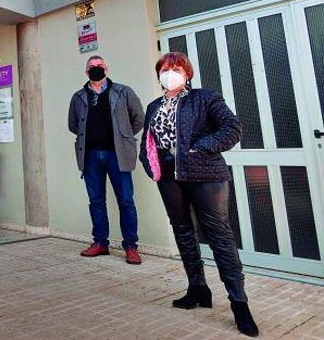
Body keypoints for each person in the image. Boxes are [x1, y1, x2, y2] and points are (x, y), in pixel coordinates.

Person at [139, 52, 258, 337]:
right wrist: (150, 164)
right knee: (182, 232)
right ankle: (197, 288)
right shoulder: (155, 105)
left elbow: (232, 128)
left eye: (177, 67)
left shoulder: (205, 98)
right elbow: (148, 139)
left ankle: (239, 304)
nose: (171, 72)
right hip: (168, 176)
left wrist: (200, 148)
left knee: (219, 236)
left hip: (205, 173)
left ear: (187, 72)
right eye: (166, 68)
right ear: (159, 74)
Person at [68, 55, 145, 264]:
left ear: (106, 69)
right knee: (96, 201)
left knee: (126, 201)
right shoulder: (78, 96)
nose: (96, 69)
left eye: (99, 66)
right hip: (91, 155)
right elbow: (73, 125)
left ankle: (131, 246)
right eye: (91, 67)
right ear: (86, 72)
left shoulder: (123, 92)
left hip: (117, 154)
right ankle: (100, 243)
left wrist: (124, 135)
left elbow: (138, 118)